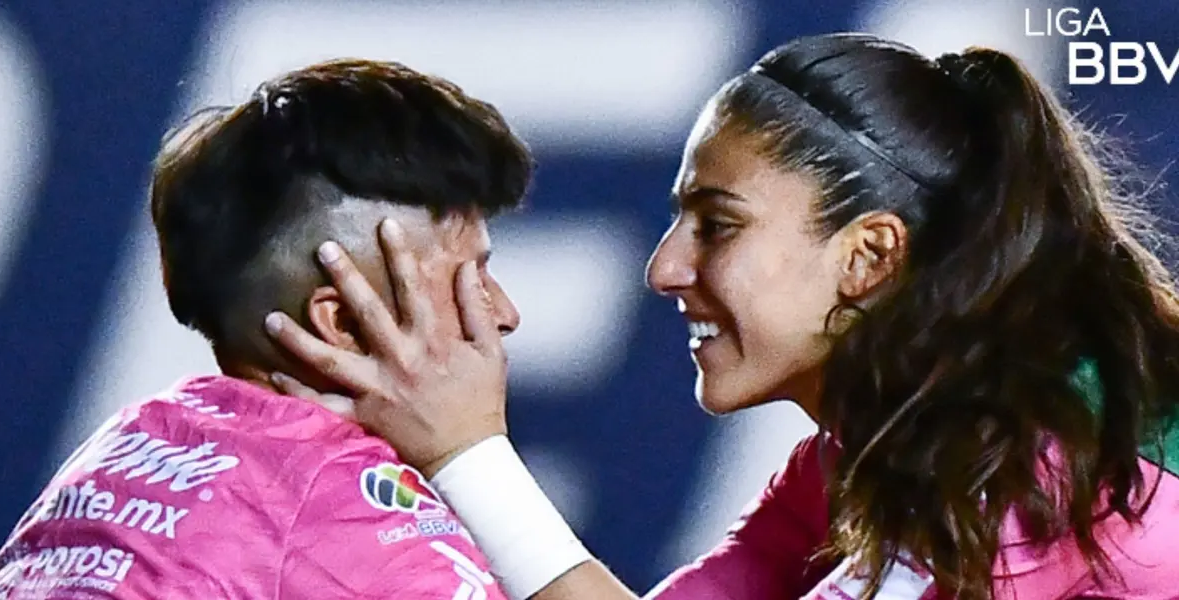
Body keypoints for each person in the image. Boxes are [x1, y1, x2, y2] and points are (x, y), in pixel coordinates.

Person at [263, 33, 1179, 600]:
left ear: (869, 256)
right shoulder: (867, 456)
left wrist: (467, 456)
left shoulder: (1035, 470)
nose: (664, 267)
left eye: (717, 225)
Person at [0, 58, 530, 599]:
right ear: (342, 323)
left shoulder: (116, 457)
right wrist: (473, 459)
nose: (504, 313)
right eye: (472, 276)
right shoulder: (356, 516)